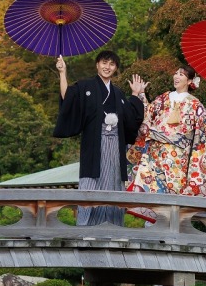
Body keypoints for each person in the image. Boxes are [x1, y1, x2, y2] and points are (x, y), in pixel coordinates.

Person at [53, 50, 146, 225]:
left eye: (111, 64)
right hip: (94, 145)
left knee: (113, 181)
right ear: (97, 65)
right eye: (104, 63)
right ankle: (86, 227)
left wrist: (135, 95)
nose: (107, 67)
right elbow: (68, 99)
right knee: (91, 182)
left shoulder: (118, 94)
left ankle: (112, 227)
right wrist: (62, 72)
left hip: (115, 146)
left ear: (115, 68)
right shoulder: (86, 86)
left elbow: (132, 120)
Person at [127, 65, 206, 197]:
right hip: (155, 150)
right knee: (149, 184)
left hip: (177, 154)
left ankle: (169, 217)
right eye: (176, 73)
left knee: (173, 189)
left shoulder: (194, 103)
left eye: (181, 75)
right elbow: (148, 113)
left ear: (189, 81)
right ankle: (151, 218)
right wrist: (141, 93)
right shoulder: (164, 97)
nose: (176, 76)